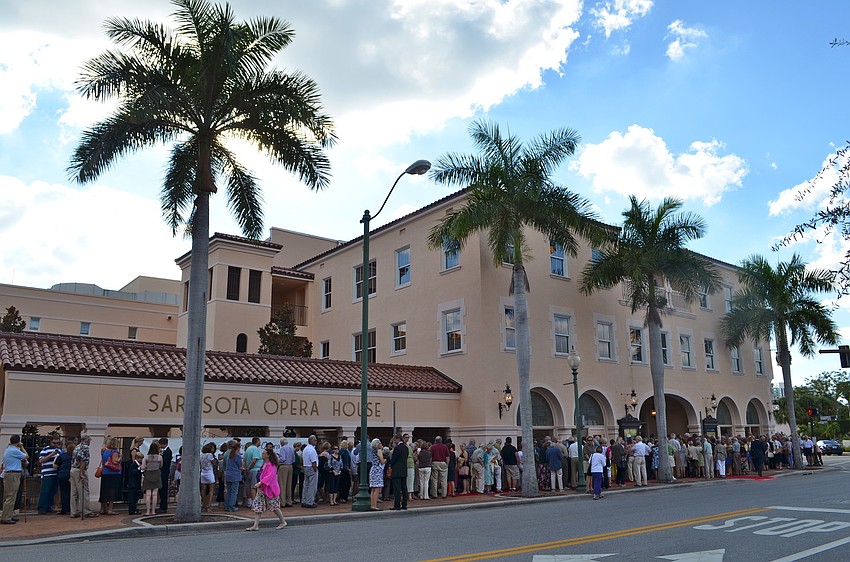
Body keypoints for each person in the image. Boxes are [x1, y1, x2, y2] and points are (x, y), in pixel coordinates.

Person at [245, 448, 287, 531]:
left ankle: (283, 521)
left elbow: (269, 476)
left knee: (274, 506)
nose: (262, 454)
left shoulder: (271, 465)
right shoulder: (263, 464)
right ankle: (255, 525)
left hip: (270, 489)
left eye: (264, 453)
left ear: (268, 455)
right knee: (258, 506)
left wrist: (260, 483)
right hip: (262, 489)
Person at [2, 434, 28, 524]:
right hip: (13, 474)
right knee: (11, 496)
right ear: (18, 442)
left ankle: (8, 514)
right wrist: (22, 447)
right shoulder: (14, 450)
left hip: (9, 473)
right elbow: (26, 456)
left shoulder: (9, 449)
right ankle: (6, 517)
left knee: (9, 495)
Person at [70, 434, 97, 519]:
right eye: (90, 440)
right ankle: (86, 511)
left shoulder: (77, 447)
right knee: (84, 492)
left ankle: (73, 511)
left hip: (73, 469)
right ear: (87, 440)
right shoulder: (85, 447)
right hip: (79, 470)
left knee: (74, 492)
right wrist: (82, 473)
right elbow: (83, 460)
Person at [37, 435, 62, 514]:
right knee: (45, 491)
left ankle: (48, 507)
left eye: (57, 443)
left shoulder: (59, 450)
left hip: (56, 473)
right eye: (54, 443)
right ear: (51, 441)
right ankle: (42, 507)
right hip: (47, 474)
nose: (56, 444)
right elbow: (41, 461)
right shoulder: (45, 449)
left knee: (53, 491)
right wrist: (51, 454)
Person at [100, 436, 123, 515]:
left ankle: (103, 508)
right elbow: (115, 461)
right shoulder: (114, 452)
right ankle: (110, 509)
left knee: (104, 491)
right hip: (113, 473)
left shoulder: (104, 451)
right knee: (112, 491)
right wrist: (120, 458)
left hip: (105, 473)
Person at [141, 440, 163, 516]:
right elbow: (161, 466)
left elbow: (142, 467)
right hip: (156, 474)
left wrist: (146, 467)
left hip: (148, 474)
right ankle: (153, 511)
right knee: (155, 494)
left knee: (148, 494)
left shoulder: (146, 457)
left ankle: (147, 511)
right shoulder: (160, 457)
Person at [54, 440, 75, 515]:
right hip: (71, 474)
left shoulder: (62, 456)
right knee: (72, 492)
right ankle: (71, 508)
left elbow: (55, 466)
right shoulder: (74, 456)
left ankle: (64, 509)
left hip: (62, 475)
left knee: (63, 492)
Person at [389, 433, 409, 510]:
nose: (394, 441)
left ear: (398, 439)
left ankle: (397, 505)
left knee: (397, 489)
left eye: (395, 440)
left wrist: (389, 462)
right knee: (404, 488)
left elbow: (393, 459)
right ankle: (404, 504)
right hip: (403, 470)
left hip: (397, 470)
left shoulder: (397, 448)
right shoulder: (406, 448)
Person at [243, 436, 263, 508]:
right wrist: (249, 468)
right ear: (257, 441)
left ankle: (249, 502)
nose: (260, 442)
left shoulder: (248, 449)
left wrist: (246, 468)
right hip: (254, 470)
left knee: (248, 486)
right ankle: (254, 503)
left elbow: (244, 461)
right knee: (254, 486)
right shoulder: (255, 449)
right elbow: (254, 460)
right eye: (259, 441)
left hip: (249, 470)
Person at [223, 440, 242, 512]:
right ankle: (231, 507)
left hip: (228, 475)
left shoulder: (229, 455)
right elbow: (240, 466)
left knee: (229, 491)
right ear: (238, 448)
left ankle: (226, 506)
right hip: (235, 475)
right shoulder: (237, 456)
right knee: (234, 492)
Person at [276, 437, 295, 508]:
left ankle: (282, 502)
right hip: (290, 466)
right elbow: (293, 459)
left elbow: (282, 458)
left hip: (283, 466)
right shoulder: (291, 448)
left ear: (282, 443)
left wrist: (277, 459)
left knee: (282, 484)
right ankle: (289, 501)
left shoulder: (283, 448)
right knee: (288, 485)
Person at [300, 435, 319, 508]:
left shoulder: (305, 449)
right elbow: (313, 461)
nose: (316, 442)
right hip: (311, 467)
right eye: (315, 440)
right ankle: (310, 501)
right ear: (312, 441)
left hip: (306, 467)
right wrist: (315, 469)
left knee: (306, 485)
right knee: (312, 486)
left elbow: (302, 459)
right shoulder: (312, 450)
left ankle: (304, 500)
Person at [369, 438, 385, 510]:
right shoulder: (379, 451)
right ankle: (375, 505)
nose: (381, 444)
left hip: (373, 469)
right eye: (380, 443)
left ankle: (372, 505)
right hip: (378, 469)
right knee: (377, 489)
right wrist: (385, 460)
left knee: (373, 489)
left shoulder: (372, 451)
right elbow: (382, 461)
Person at [200, 442, 217, 512]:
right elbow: (214, 463)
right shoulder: (210, 455)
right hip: (209, 473)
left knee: (203, 490)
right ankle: (209, 505)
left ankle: (204, 504)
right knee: (211, 490)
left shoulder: (201, 455)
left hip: (203, 473)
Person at [157, 437, 172, 513]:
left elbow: (165, 461)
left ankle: (163, 507)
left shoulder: (168, 451)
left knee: (163, 489)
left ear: (165, 444)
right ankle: (161, 505)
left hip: (164, 472)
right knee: (161, 490)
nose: (161, 446)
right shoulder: (163, 451)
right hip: (161, 472)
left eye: (161, 445)